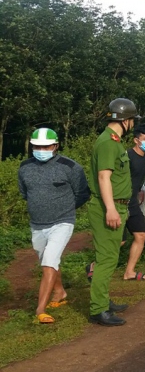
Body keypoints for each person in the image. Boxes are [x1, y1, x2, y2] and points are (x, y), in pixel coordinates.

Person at [18, 128, 90, 324]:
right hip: (37, 224)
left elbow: (83, 193)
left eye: (46, 146)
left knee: (49, 262)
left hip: (62, 222)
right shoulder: (24, 168)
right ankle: (60, 292)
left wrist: (65, 209)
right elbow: (25, 194)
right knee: (49, 260)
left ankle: (40, 309)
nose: (41, 149)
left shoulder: (71, 167)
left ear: (56, 146)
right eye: (37, 147)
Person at [87, 98, 140, 326]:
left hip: (117, 204)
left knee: (109, 256)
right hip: (106, 206)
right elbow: (103, 177)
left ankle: (103, 300)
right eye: (132, 120)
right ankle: (99, 310)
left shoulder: (114, 141)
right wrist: (110, 209)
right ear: (126, 120)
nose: (133, 124)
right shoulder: (109, 143)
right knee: (107, 258)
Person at [117, 124, 145, 282]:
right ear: (136, 140)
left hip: (133, 202)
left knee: (140, 235)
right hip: (121, 202)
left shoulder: (143, 156)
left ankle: (129, 272)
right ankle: (94, 266)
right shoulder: (128, 156)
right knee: (119, 241)